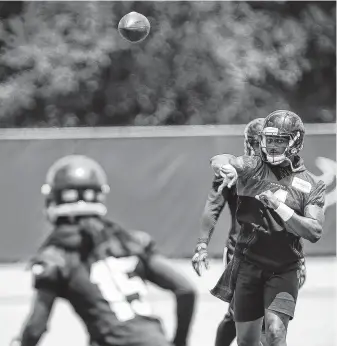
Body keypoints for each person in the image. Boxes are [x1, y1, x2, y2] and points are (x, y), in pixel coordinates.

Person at [11, 155, 196, 346]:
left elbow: (35, 328)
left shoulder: (57, 256)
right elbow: (186, 289)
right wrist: (179, 342)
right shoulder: (128, 242)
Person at [209, 110, 325, 346]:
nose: (272, 146)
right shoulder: (252, 167)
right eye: (269, 139)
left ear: (295, 142)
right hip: (248, 265)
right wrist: (226, 168)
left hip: (284, 269)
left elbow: (313, 231)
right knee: (246, 341)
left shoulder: (312, 184)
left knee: (274, 332)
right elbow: (220, 159)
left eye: (279, 140)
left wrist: (280, 207)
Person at [192, 118, 265, 346]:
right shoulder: (235, 168)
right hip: (240, 253)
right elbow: (213, 205)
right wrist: (202, 244)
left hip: (275, 253)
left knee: (268, 317)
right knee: (239, 314)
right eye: (265, 142)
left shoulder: (282, 172)